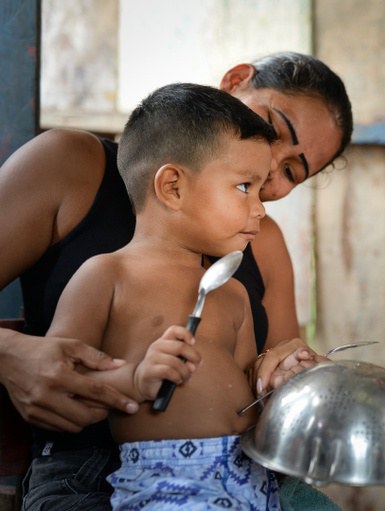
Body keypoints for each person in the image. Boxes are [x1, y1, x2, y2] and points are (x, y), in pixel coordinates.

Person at [0, 52, 351, 510]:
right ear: (235, 79)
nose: (269, 177)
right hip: (90, 473)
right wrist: (9, 354)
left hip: (237, 472)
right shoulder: (73, 167)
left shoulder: (257, 250)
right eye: (274, 128)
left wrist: (292, 377)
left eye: (290, 172)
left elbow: (268, 400)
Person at [47, 82, 282, 509]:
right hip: (166, 481)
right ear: (172, 186)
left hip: (252, 477)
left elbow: (250, 394)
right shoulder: (107, 276)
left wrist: (278, 384)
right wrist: (133, 380)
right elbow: (62, 383)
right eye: (246, 186)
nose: (261, 207)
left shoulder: (233, 292)